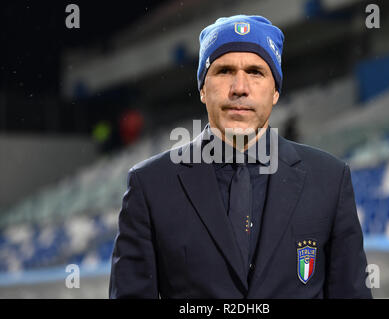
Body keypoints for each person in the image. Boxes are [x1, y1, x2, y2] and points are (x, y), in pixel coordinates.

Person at [109, 15, 372, 299]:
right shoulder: (150, 185)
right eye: (224, 71)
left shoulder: (329, 179)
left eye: (256, 72)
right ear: (202, 89)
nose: (240, 88)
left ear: (275, 91)